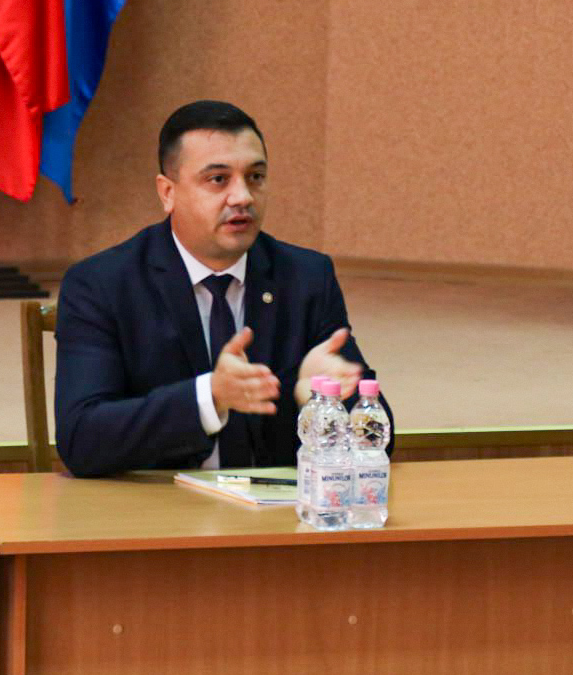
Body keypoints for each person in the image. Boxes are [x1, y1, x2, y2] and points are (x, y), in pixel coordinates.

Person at [55, 100, 392, 477]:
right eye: (218, 179)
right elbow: (81, 439)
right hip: (159, 507)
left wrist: (321, 399)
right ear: (167, 193)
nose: (242, 197)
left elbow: (379, 439)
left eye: (255, 177)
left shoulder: (307, 277)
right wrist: (210, 397)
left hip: (278, 509)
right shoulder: (103, 284)